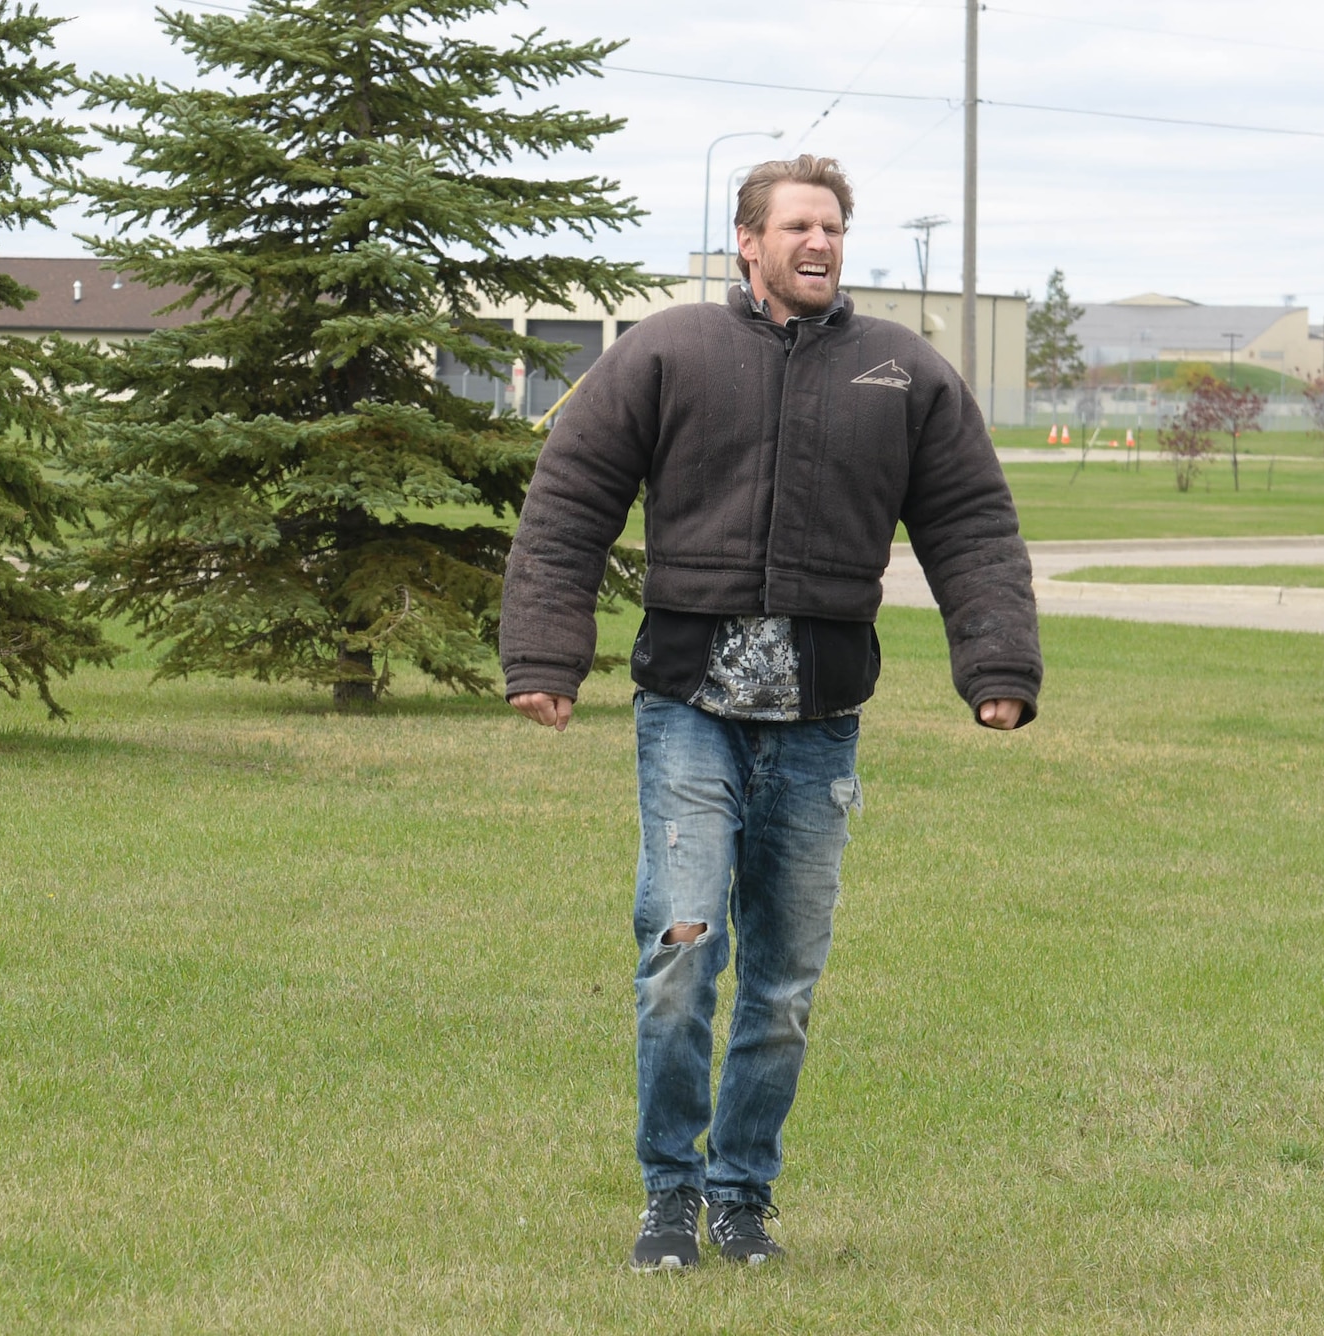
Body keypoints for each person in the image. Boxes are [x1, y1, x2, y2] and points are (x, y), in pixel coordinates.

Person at [498, 155, 1041, 1270]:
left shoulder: (899, 371)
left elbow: (971, 523)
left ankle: (741, 1198)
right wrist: (547, 654)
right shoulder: (668, 351)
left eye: (833, 227)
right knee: (678, 952)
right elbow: (568, 498)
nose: (819, 243)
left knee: (783, 986)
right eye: (797, 224)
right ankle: (667, 1196)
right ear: (745, 240)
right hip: (687, 710)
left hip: (819, 722)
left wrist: (996, 664)